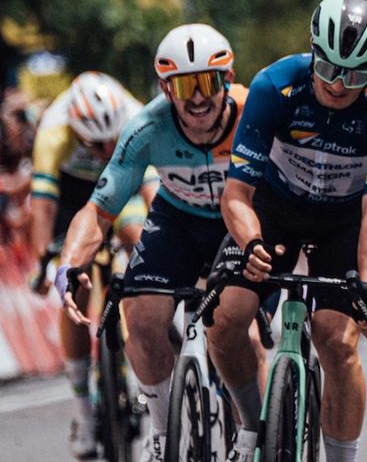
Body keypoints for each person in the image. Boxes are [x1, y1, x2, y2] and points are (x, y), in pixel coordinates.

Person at [210, 0, 367, 462]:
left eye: (355, 74)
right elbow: (236, 194)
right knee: (226, 320)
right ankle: (250, 427)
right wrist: (251, 243)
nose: (338, 85)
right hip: (275, 211)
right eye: (328, 68)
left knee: (337, 342)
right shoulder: (274, 85)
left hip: (343, 221)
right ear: (312, 48)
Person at [53, 25, 252, 462]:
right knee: (140, 318)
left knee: (246, 333)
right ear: (165, 89)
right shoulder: (146, 127)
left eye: (207, 83)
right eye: (183, 86)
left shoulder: (252, 114)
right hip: (178, 220)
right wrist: (68, 266)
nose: (196, 98)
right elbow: (98, 211)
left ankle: (252, 432)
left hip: (241, 223)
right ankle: (162, 436)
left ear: (228, 79)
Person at [30, 70, 148, 458]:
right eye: (96, 143)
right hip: (73, 193)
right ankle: (83, 413)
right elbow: (43, 204)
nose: (107, 147)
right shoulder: (53, 131)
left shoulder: (136, 116)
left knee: (137, 235)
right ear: (76, 131)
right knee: (74, 289)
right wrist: (44, 262)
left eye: (112, 138)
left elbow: (154, 188)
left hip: (123, 183)